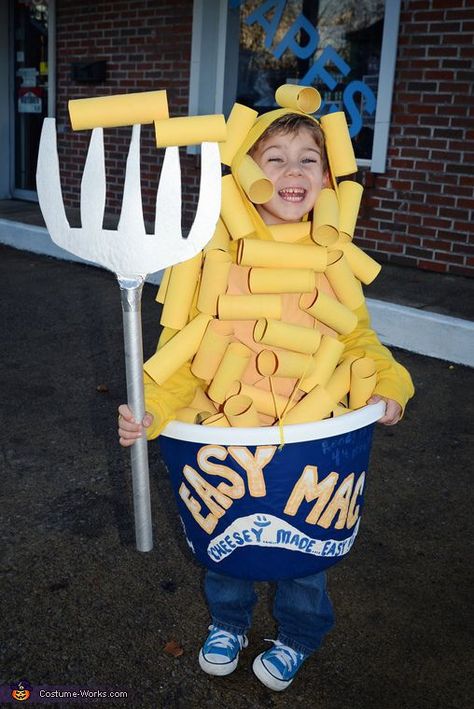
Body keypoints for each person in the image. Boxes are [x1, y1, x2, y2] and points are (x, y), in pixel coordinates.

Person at [118, 108, 414, 691]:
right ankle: (228, 621)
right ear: (244, 175)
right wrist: (151, 408)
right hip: (224, 432)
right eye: (272, 159)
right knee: (225, 542)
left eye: (308, 159)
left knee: (307, 550)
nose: (291, 171)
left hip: (314, 433)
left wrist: (387, 385)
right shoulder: (211, 257)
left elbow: (358, 338)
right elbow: (184, 349)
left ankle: (299, 634)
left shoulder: (333, 256)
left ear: (328, 179)